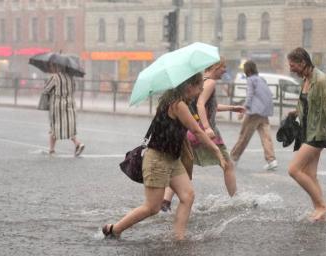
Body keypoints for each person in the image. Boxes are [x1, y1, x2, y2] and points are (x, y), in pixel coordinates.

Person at [102, 73, 226, 240]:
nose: (201, 90)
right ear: (189, 87)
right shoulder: (178, 104)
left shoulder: (174, 100)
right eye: (199, 87)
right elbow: (196, 131)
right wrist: (216, 151)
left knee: (187, 196)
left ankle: (179, 238)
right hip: (157, 159)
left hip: (172, 159)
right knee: (152, 207)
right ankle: (114, 229)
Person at [160, 57, 244, 212]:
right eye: (223, 67)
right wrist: (207, 127)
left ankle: (165, 201)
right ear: (215, 66)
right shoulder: (210, 82)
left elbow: (210, 106)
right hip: (205, 132)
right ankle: (235, 199)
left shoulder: (199, 83)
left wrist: (232, 108)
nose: (225, 70)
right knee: (228, 165)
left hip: (190, 131)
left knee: (183, 166)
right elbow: (200, 105)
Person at [286, 47, 326, 221]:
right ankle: (319, 211)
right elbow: (308, 105)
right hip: (308, 130)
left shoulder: (321, 80)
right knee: (310, 174)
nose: (291, 69)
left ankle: (322, 205)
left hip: (319, 132)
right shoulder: (306, 79)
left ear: (303, 63)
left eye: (293, 66)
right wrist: (295, 113)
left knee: (293, 170)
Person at [230, 60, 278, 170]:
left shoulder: (251, 80)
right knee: (266, 137)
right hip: (264, 112)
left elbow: (250, 95)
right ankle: (271, 160)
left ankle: (233, 158)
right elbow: (268, 94)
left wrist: (243, 109)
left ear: (247, 70)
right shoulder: (261, 79)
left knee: (244, 135)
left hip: (254, 112)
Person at [42, 63, 85, 156]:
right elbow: (74, 89)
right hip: (70, 103)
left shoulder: (55, 77)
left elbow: (46, 89)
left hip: (57, 105)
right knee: (68, 126)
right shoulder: (71, 78)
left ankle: (52, 150)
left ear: (58, 67)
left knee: (55, 126)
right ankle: (78, 143)